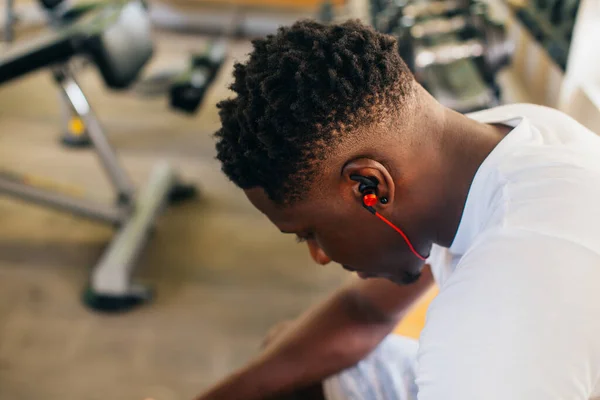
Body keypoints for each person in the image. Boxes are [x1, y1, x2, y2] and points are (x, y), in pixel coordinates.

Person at [197, 18, 600, 400]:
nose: (319, 257)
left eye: (310, 232)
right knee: (293, 362)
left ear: (369, 186)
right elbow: (364, 310)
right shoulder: (503, 138)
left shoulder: (501, 304)